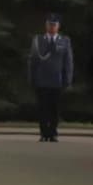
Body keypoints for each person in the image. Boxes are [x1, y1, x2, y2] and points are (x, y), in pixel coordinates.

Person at [28, 13, 73, 142]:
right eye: (49, 24)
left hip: (57, 80)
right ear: (46, 25)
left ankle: (53, 133)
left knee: (55, 109)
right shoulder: (38, 40)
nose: (52, 27)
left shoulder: (64, 41)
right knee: (42, 108)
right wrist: (31, 78)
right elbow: (32, 61)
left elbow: (68, 62)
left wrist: (68, 79)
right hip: (41, 80)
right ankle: (43, 133)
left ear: (58, 26)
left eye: (54, 25)